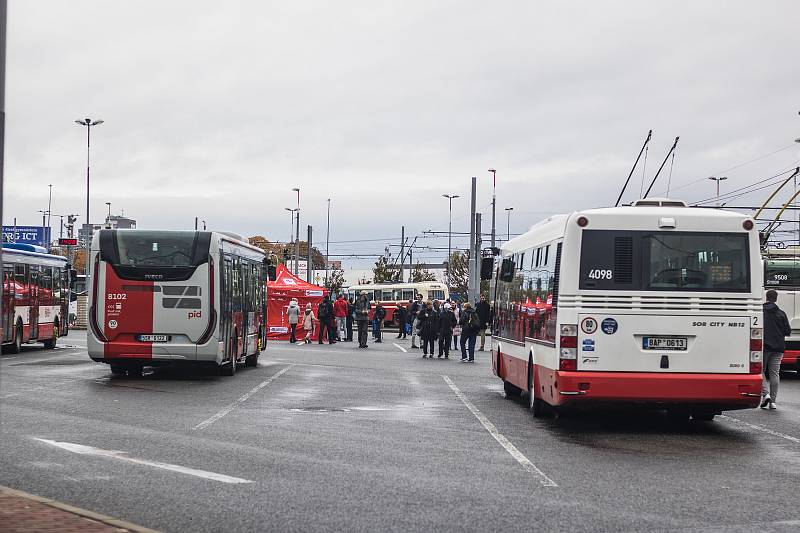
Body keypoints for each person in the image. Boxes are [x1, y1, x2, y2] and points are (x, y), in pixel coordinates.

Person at [761, 289, 792, 409]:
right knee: (775, 373)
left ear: (767, 298)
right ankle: (773, 402)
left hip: (765, 346)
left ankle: (766, 394)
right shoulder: (781, 313)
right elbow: (787, 331)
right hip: (779, 347)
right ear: (776, 299)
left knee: (761, 371)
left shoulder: (761, 312)